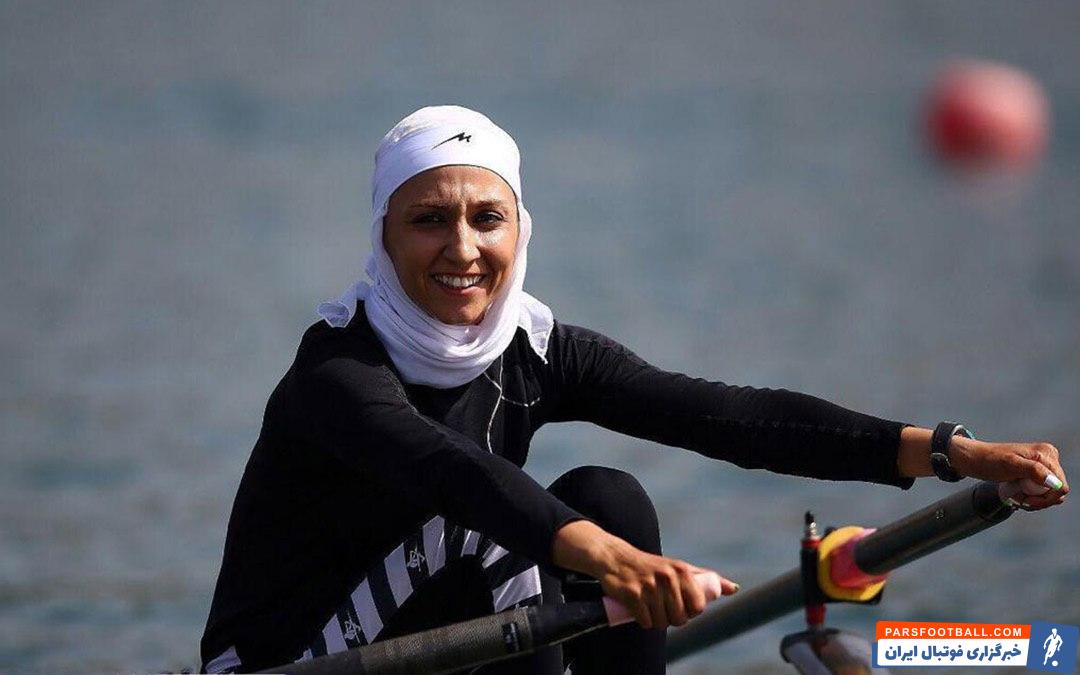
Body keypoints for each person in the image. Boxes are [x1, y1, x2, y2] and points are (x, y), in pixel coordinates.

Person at [199, 105, 1068, 674]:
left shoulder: (537, 349)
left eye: (486, 218)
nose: (462, 248)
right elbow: (455, 475)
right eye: (429, 220)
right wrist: (622, 568)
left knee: (609, 496)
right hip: (284, 661)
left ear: (519, 231)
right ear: (383, 237)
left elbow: (733, 418)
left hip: (432, 631)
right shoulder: (337, 373)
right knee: (500, 523)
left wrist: (957, 452)